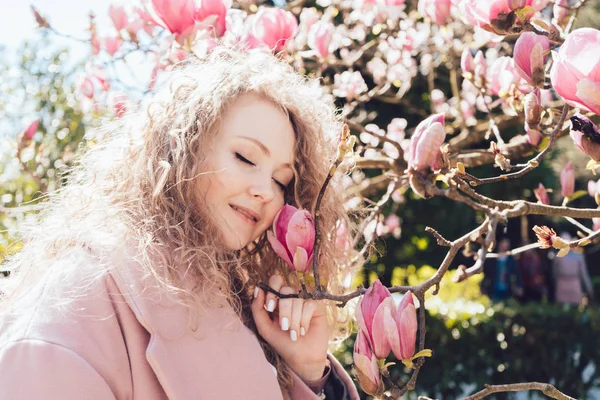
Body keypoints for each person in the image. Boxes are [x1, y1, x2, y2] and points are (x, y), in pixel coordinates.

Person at [0, 47, 360, 399]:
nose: (266, 191)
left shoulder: (238, 306)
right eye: (245, 157)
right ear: (181, 150)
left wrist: (307, 372)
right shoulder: (76, 306)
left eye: (282, 181)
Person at [552, 232, 595, 306]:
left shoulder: (578, 257)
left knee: (575, 308)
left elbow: (584, 274)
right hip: (562, 283)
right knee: (562, 308)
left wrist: (589, 289)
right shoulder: (558, 257)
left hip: (574, 283)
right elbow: (554, 273)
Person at [482, 238, 524, 303]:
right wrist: (483, 287)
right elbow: (487, 274)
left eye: (506, 243)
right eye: (503, 243)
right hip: (494, 288)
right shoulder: (492, 258)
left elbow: (517, 273)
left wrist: (519, 286)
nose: (505, 245)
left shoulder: (510, 259)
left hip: (508, 289)